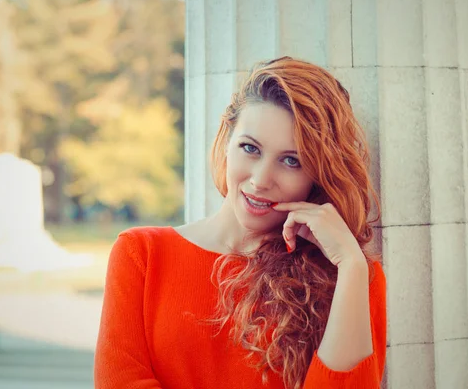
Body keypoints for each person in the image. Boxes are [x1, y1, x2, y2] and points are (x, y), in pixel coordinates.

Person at [94, 57, 387, 389]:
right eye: (250, 148)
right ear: (227, 143)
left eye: (292, 161)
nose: (261, 180)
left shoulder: (351, 275)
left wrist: (350, 265)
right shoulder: (141, 254)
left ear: (317, 176)